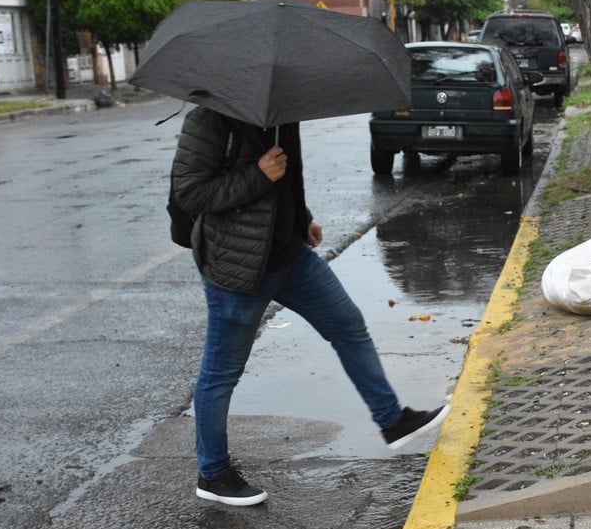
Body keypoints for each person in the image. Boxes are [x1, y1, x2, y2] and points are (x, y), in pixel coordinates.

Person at [171, 106, 450, 506]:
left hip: (290, 256)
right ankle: (213, 472)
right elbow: (191, 193)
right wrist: (256, 174)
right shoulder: (209, 119)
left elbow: (286, 182)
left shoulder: (282, 112)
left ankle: (392, 420)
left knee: (347, 324)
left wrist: (301, 218)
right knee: (221, 373)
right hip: (238, 266)